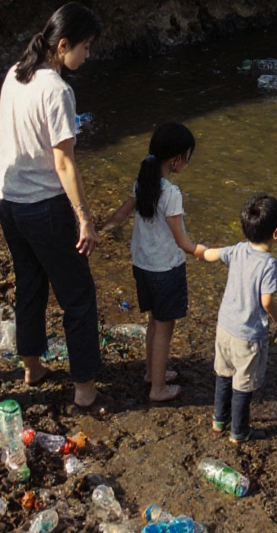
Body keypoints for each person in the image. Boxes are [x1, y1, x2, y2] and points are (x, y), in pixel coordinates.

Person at [0, 2, 110, 413]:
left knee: (29, 284)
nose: (87, 55)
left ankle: (31, 366)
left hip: (7, 202)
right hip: (43, 207)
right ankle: (85, 391)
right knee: (78, 295)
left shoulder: (15, 74)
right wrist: (85, 218)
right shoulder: (58, 90)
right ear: (63, 45)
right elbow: (64, 163)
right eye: (86, 47)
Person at [101, 122, 201, 402]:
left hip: (142, 266)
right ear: (177, 159)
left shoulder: (142, 182)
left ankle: (151, 374)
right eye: (188, 156)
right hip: (166, 270)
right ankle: (158, 388)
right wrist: (206, 251)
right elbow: (182, 241)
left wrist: (97, 232)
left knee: (154, 323)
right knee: (164, 329)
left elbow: (120, 215)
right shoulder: (171, 194)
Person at [198, 193, 277, 443]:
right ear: (276, 233)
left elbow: (211, 254)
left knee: (224, 374)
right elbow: (267, 301)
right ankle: (238, 432)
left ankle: (219, 420)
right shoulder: (269, 264)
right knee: (243, 384)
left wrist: (195, 249)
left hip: (224, 328)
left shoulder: (238, 249)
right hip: (247, 336)